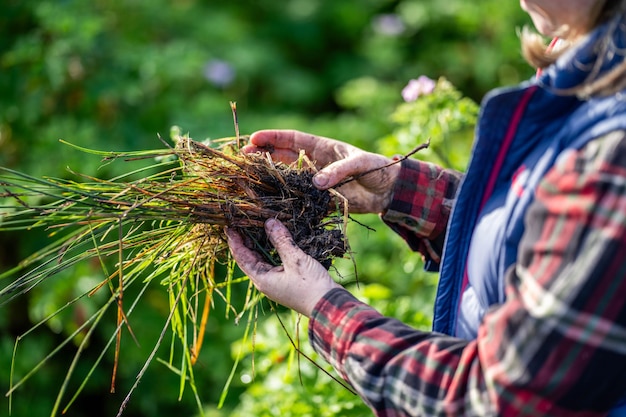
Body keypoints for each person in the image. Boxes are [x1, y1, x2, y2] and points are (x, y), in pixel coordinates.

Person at [225, 0, 626, 415]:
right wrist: (401, 191)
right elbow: (555, 247)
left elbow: (498, 399)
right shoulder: (589, 69)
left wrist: (326, 308)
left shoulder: (615, 153)